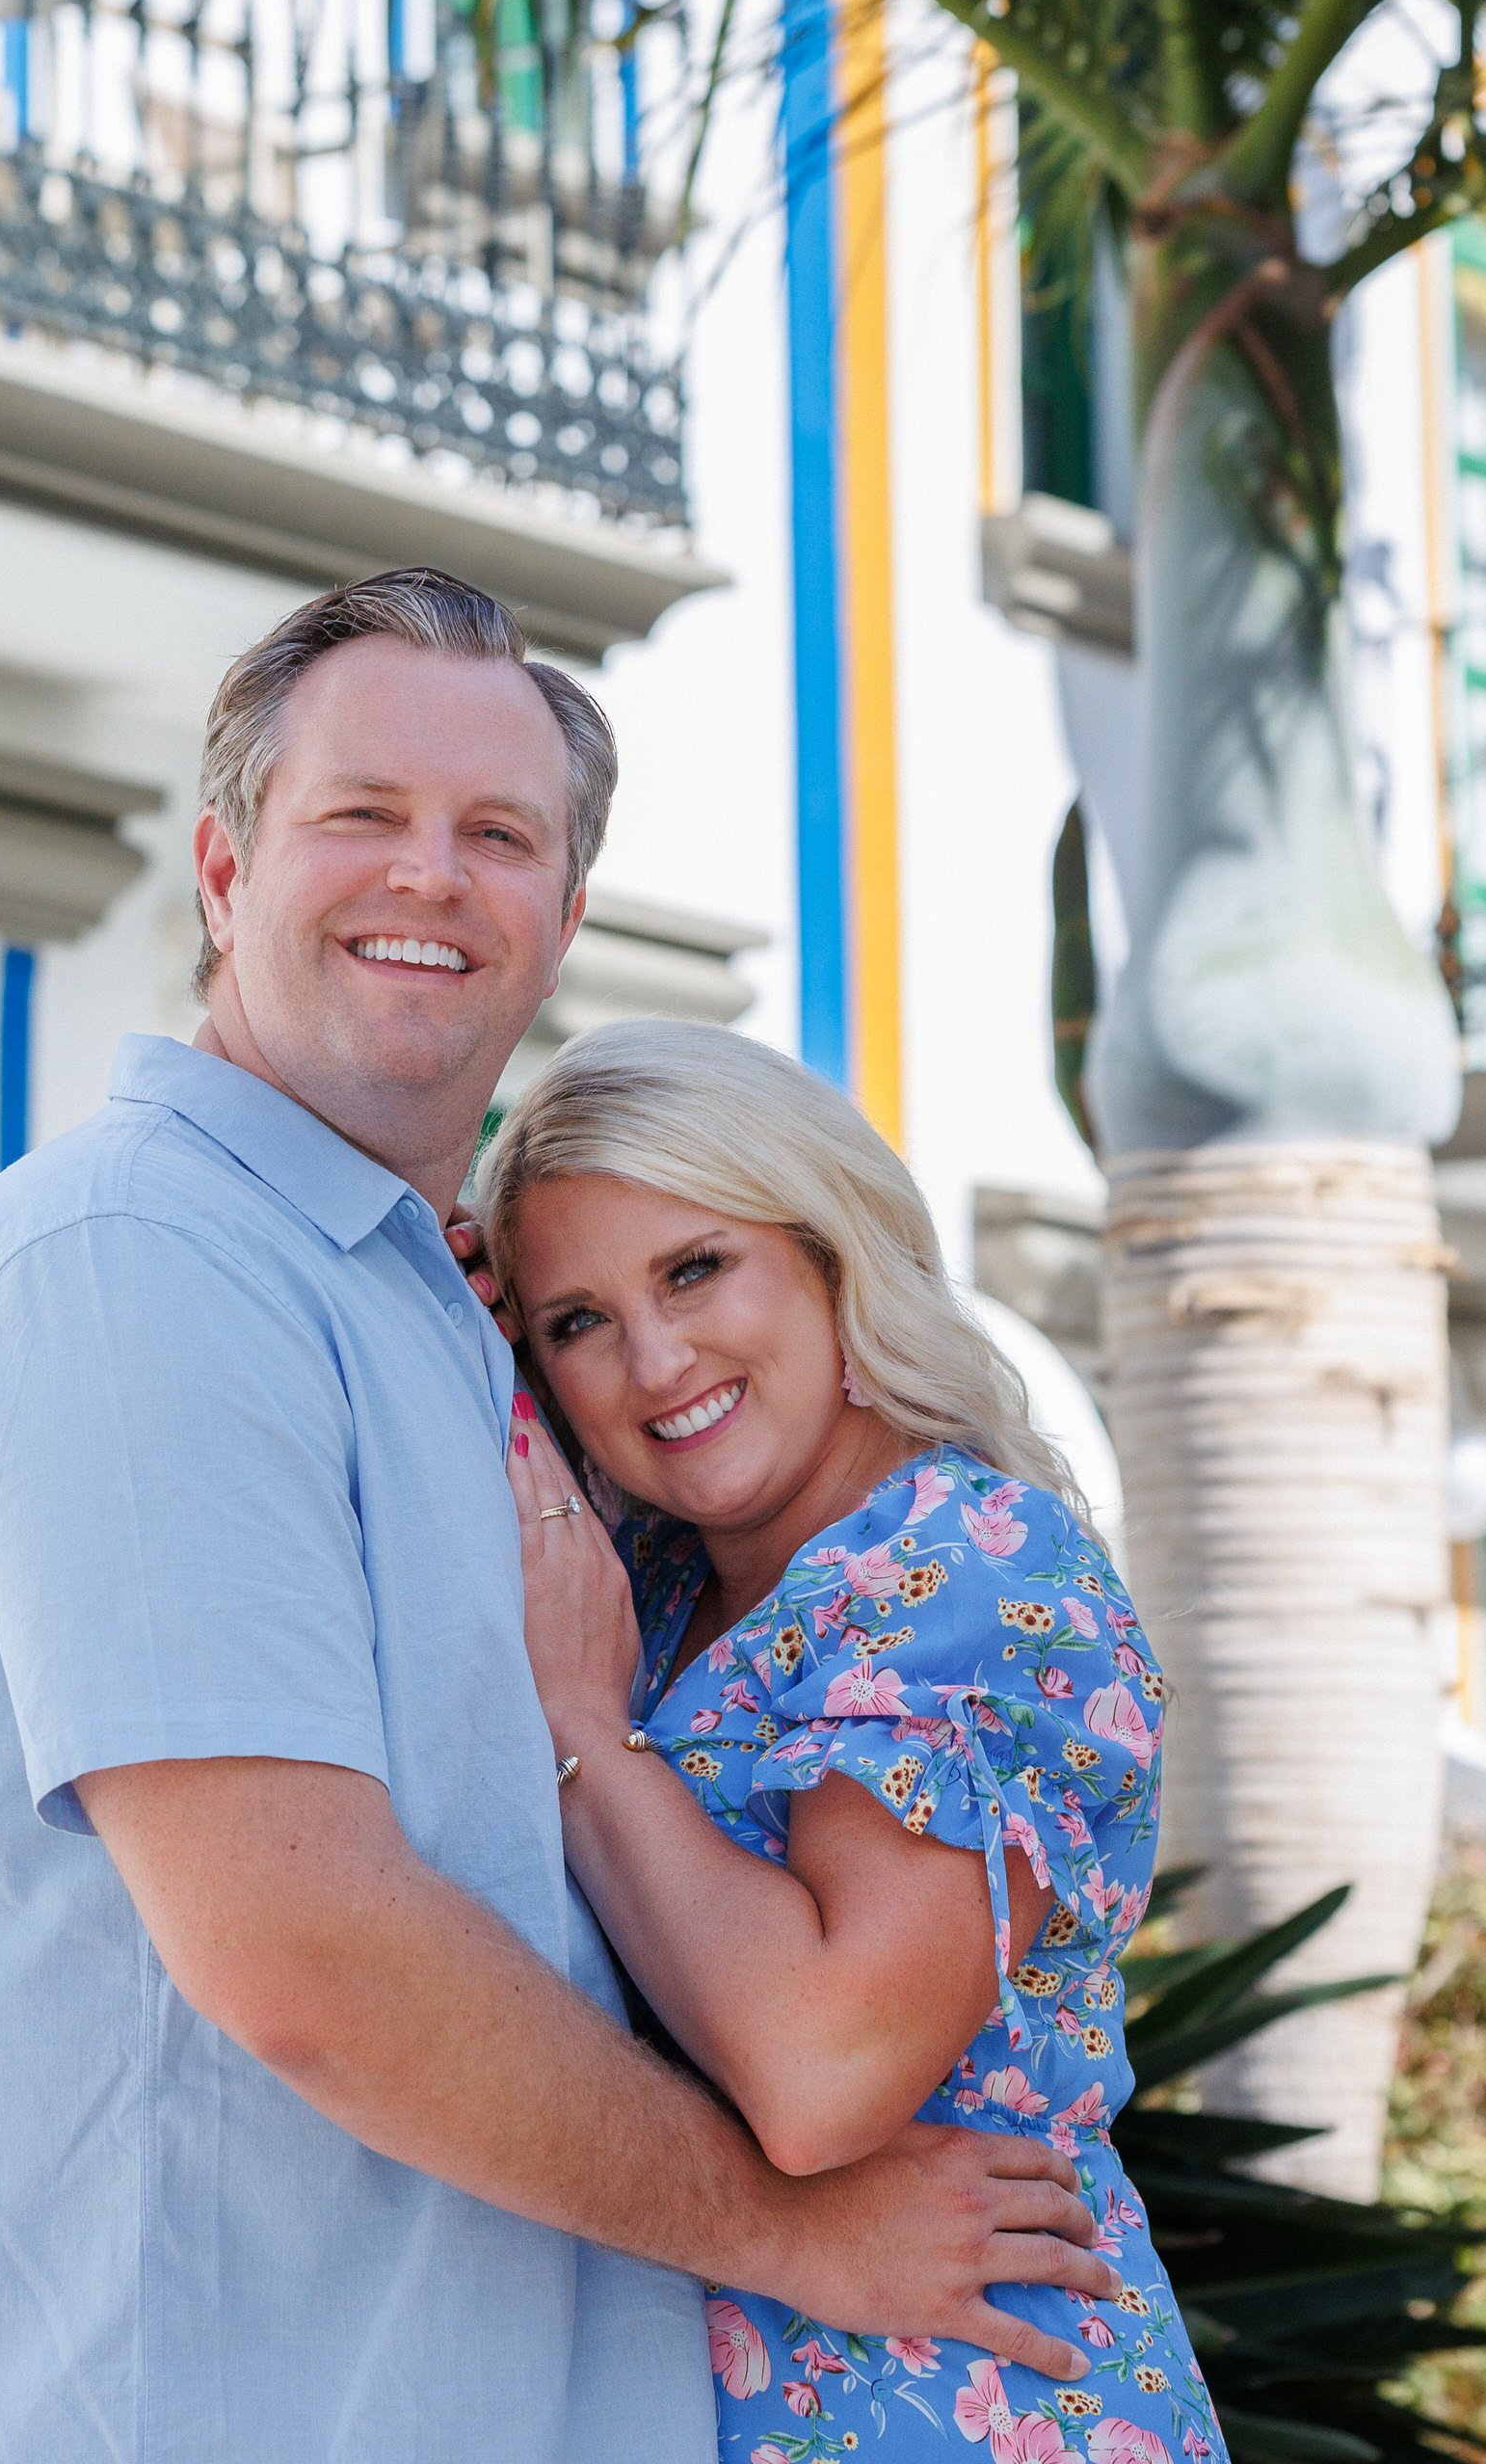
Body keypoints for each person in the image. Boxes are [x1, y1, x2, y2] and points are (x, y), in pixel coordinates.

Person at [0, 568, 1113, 2464]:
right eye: (362, 814)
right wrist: (785, 2235)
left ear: (562, 917)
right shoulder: (140, 1261)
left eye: (497, 835)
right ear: (222, 867)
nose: (431, 876)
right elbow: (310, 1961)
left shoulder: (444, 1317)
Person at [472, 1018, 1228, 2464]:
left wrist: (582, 1728)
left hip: (965, 2401)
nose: (655, 1356)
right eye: (577, 1321)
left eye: (696, 1267)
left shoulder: (967, 1564)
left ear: (828, 1253)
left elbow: (822, 2076)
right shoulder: (663, 1587)